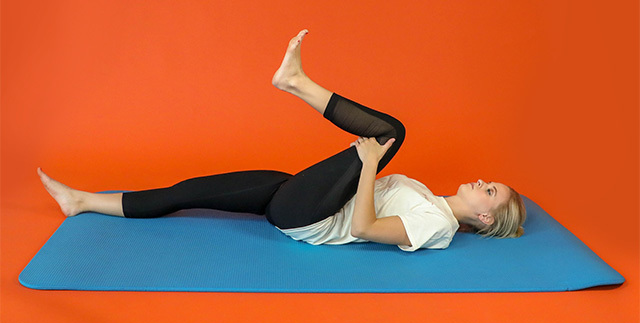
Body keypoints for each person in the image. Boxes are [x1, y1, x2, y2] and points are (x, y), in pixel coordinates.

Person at [37, 30, 526, 254]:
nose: (482, 182)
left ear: (484, 217)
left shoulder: (437, 225)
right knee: (192, 189)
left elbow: (363, 228)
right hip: (299, 196)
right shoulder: (431, 199)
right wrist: (366, 166)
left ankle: (295, 83)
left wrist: (370, 164)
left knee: (390, 134)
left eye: (490, 191)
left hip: (307, 218)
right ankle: (80, 201)